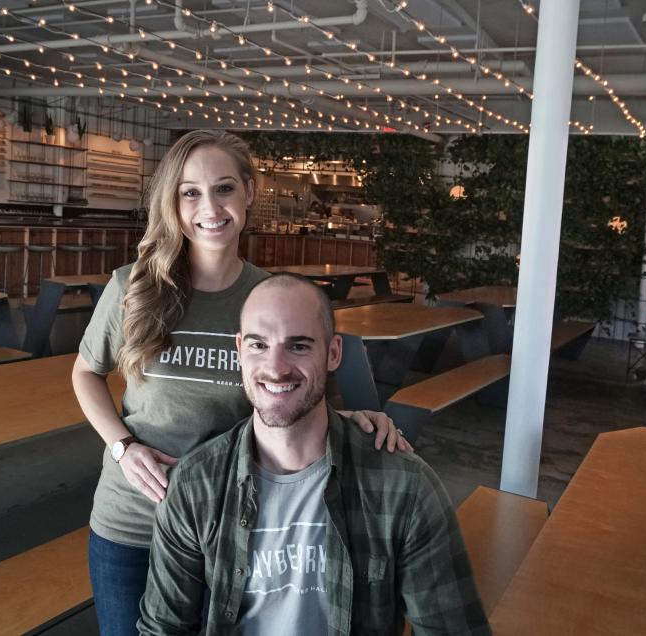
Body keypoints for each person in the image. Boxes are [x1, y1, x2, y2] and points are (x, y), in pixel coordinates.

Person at [71, 130, 411, 636]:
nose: (210, 206)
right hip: (131, 520)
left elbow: (285, 396)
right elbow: (85, 372)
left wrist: (353, 421)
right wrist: (123, 447)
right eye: (190, 192)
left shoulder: (270, 297)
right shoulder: (133, 287)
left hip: (227, 522)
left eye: (224, 188)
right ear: (173, 201)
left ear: (249, 192)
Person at [138, 274, 490, 636]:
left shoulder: (404, 487)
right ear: (239, 350)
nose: (276, 368)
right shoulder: (197, 485)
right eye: (259, 345)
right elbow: (163, 629)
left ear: (334, 353)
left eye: (299, 346)